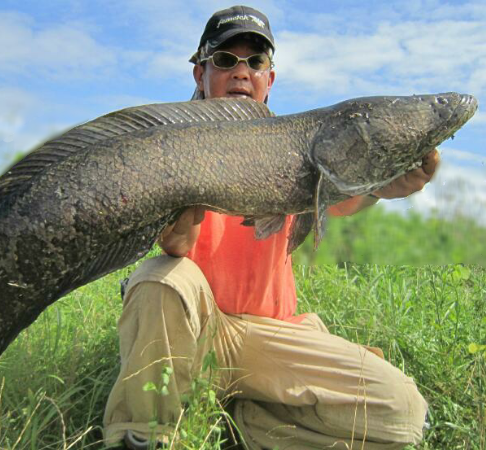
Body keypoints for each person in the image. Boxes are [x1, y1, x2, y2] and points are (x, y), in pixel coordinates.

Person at [104, 5, 435, 449]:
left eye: (255, 61)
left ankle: (245, 419)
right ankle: (144, 436)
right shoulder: (172, 144)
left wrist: (383, 186)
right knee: (158, 281)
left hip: (270, 339)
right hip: (197, 332)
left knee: (403, 414)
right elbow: (175, 245)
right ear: (200, 73)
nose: (241, 72)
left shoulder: (301, 145)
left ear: (269, 79)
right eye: (225, 60)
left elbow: (347, 198)